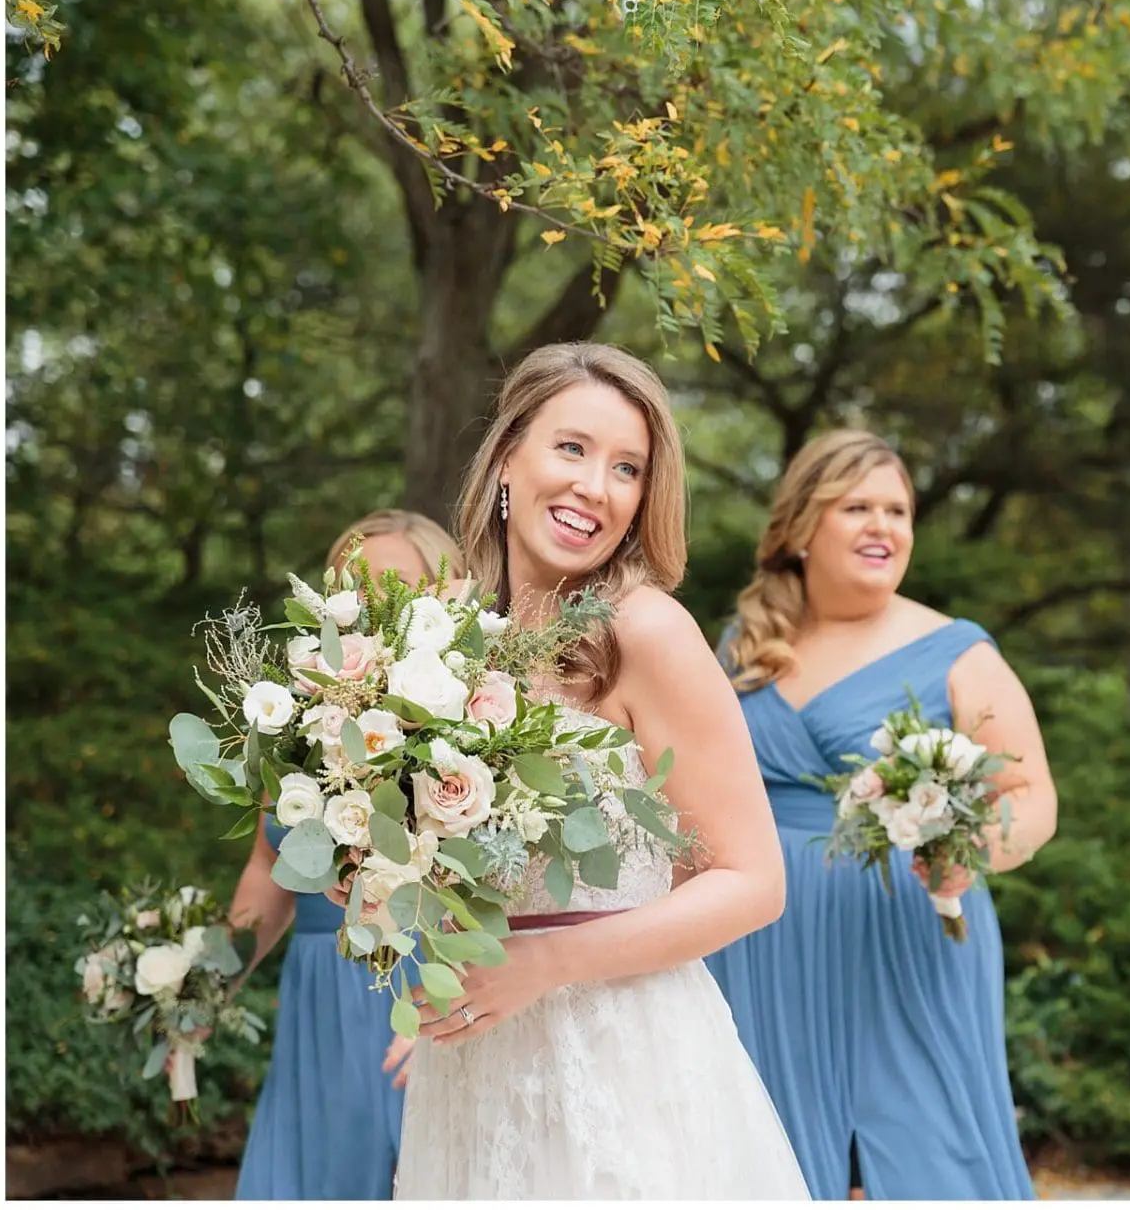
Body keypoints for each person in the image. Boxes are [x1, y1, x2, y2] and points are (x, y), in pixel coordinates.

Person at [389, 342, 808, 1199]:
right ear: (509, 457)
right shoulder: (444, 639)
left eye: (627, 469)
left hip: (620, 1053)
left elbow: (754, 881)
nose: (595, 487)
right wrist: (373, 870)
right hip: (473, 1061)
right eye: (572, 449)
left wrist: (545, 966)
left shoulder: (644, 632)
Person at [704, 428, 1060, 1200]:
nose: (883, 526)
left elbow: (1033, 798)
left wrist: (976, 852)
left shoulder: (957, 652)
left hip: (906, 935)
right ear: (801, 527)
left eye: (897, 510)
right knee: (772, 1159)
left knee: (935, 1153)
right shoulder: (744, 645)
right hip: (764, 942)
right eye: (856, 506)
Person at [232, 510, 464, 1200]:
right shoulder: (291, 721)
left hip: (415, 1006)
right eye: (354, 588)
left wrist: (450, 1014)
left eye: (396, 588)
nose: (370, 605)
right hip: (315, 1015)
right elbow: (264, 867)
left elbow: (506, 894)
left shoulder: (464, 731)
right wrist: (207, 976)